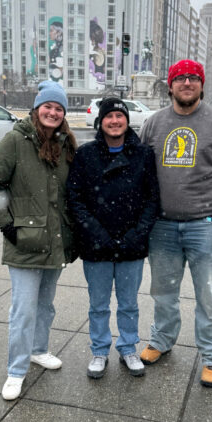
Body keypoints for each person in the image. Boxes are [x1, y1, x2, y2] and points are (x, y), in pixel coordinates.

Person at [138, 59, 212, 388]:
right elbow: (138, 168)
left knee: (209, 295)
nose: (187, 83)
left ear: (201, 85)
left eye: (193, 79)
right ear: (171, 85)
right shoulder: (154, 123)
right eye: (180, 79)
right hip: (161, 227)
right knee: (163, 292)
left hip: (207, 226)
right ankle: (161, 341)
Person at [0, 80, 78, 401]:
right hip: (24, 241)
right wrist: (6, 226)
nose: (53, 112)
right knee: (23, 310)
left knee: (45, 305)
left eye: (59, 108)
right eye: (48, 106)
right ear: (37, 109)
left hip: (55, 241)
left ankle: (38, 349)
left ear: (64, 114)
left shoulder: (65, 145)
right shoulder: (15, 141)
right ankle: (16, 370)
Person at [67, 97, 159, 379]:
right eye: (109, 116)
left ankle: (128, 347)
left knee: (129, 302)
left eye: (120, 116)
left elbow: (152, 200)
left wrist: (136, 234)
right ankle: (99, 350)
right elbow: (75, 199)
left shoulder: (143, 155)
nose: (115, 121)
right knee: (98, 305)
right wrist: (98, 234)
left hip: (131, 245)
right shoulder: (86, 155)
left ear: (127, 120)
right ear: (101, 120)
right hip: (97, 247)